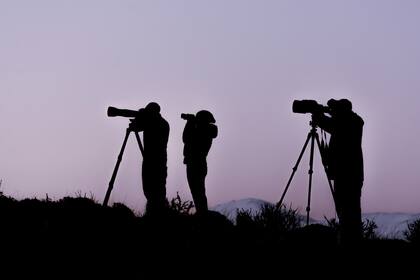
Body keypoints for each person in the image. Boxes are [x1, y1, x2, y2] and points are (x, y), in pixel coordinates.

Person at [313, 99, 364, 244]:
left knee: (349, 213)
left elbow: (333, 125)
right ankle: (348, 239)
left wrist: (318, 116)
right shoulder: (349, 123)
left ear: (343, 111)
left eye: (335, 110)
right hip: (347, 175)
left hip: (349, 176)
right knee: (346, 212)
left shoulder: (351, 124)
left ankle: (350, 241)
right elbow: (334, 125)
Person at [129, 102, 170, 215]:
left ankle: (155, 214)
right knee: (155, 188)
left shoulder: (155, 122)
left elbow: (140, 127)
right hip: (157, 160)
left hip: (153, 160)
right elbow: (141, 126)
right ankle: (155, 212)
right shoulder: (163, 123)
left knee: (152, 188)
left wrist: (138, 121)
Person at [182, 110, 218, 214]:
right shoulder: (204, 128)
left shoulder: (208, 129)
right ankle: (202, 212)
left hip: (196, 163)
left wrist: (190, 123)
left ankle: (202, 213)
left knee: (198, 191)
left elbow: (186, 138)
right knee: (197, 191)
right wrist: (192, 122)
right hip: (196, 163)